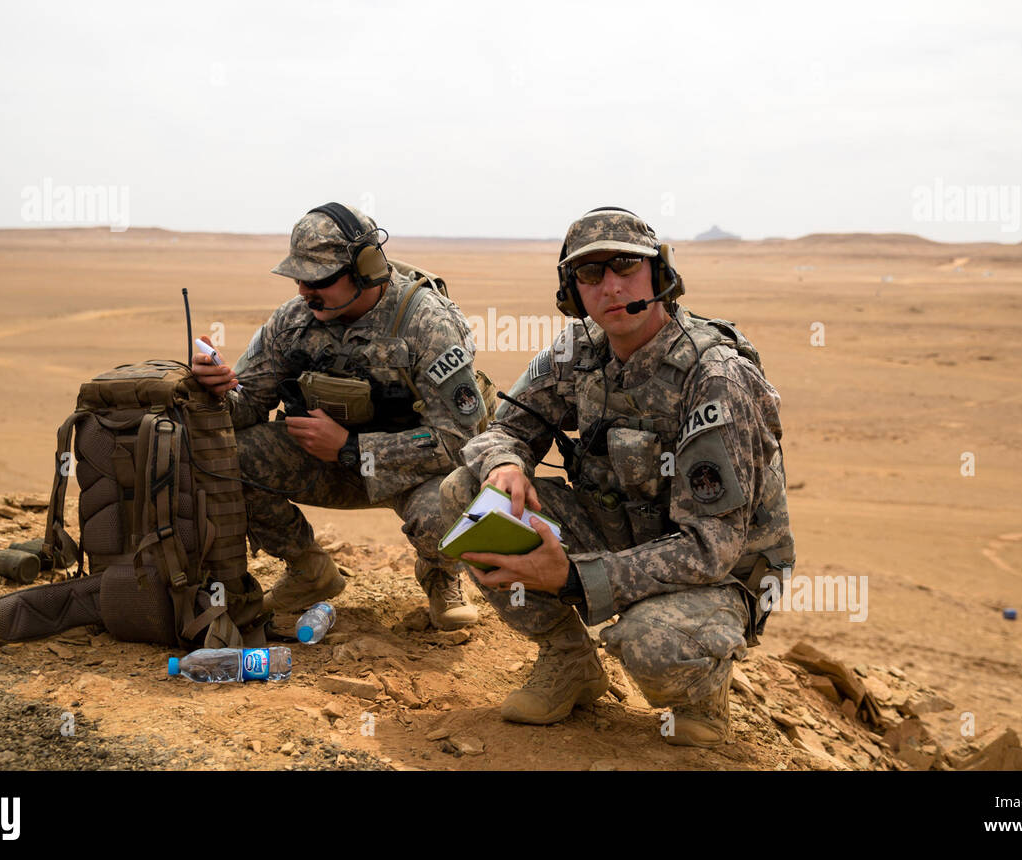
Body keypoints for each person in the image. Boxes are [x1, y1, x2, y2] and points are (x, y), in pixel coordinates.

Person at [440, 206, 795, 747]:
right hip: (621, 531)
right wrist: (506, 463)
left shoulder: (714, 376)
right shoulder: (576, 351)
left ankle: (702, 693)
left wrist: (574, 579)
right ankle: (569, 662)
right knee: (468, 494)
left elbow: (711, 550)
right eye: (590, 274)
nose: (609, 286)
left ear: (659, 275)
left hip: (717, 574)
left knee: (649, 642)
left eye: (625, 266)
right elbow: (499, 430)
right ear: (572, 291)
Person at [192, 202, 487, 635]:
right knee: (226, 456)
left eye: (320, 280)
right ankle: (309, 571)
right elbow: (247, 406)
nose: (305, 292)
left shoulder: (427, 323)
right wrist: (216, 391)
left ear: (366, 269)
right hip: (326, 464)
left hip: (414, 471)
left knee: (451, 505)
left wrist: (353, 448)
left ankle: (441, 575)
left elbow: (459, 439)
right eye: (299, 278)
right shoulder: (293, 321)